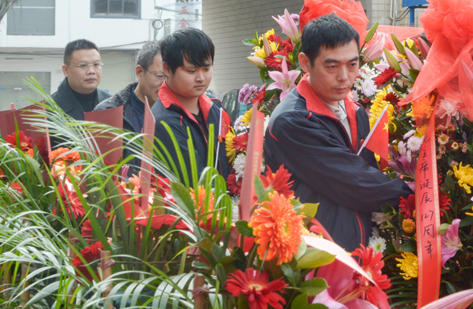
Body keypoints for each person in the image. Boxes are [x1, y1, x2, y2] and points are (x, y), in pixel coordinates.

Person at [264, 13, 412, 252]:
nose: (344, 77)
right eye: (332, 66)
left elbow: (367, 173)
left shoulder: (355, 111)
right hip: (314, 256)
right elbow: (355, 183)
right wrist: (418, 193)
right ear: (305, 62)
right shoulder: (292, 121)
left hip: (358, 251)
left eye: (352, 65)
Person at [152, 28, 231, 184]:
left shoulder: (216, 108)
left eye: (206, 69)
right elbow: (194, 182)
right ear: (167, 69)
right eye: (191, 71)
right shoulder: (163, 121)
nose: (201, 78)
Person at [94, 41, 165, 133]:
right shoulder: (106, 113)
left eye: (170, 77)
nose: (165, 84)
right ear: (139, 72)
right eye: (160, 76)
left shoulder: (177, 113)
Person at [52, 39, 110, 122]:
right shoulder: (49, 109)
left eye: (96, 64)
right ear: (66, 70)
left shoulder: (112, 104)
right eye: (83, 65)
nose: (91, 71)